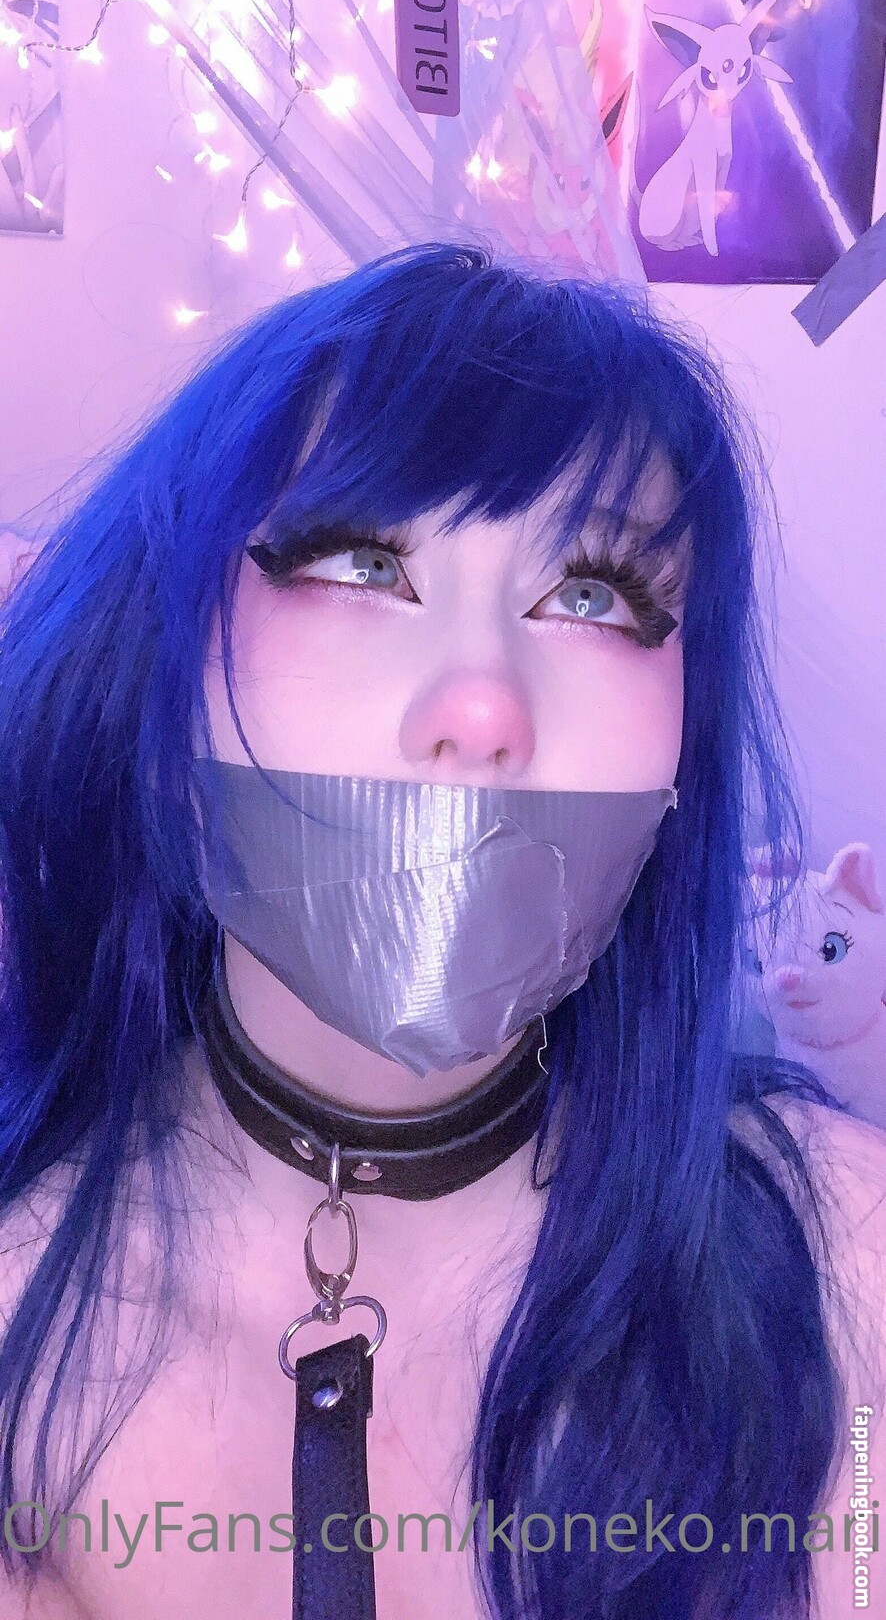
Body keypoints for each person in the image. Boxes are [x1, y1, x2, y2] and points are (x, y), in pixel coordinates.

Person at [0, 240, 884, 1620]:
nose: (482, 708)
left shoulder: (848, 1269)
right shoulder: (24, 1313)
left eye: (592, 595)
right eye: (362, 563)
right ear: (160, 674)